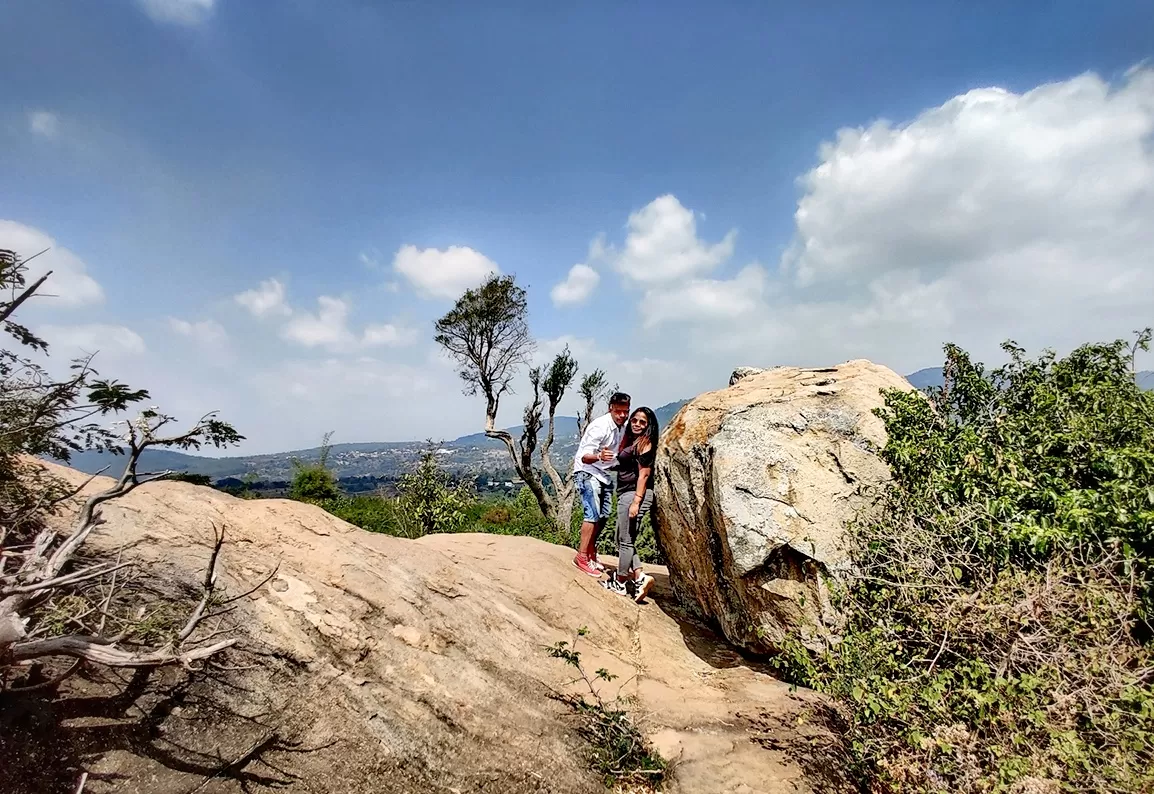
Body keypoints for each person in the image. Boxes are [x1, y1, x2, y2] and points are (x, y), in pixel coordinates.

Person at [602, 407, 658, 602]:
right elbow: (625, 465)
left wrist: (636, 501)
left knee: (625, 540)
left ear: (648, 425)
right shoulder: (633, 442)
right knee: (622, 538)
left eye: (642, 422)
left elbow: (644, 474)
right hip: (626, 493)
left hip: (634, 494)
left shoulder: (645, 443)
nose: (637, 424)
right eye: (634, 420)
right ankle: (640, 577)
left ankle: (620, 582)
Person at [572, 392, 631, 576]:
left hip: (603, 474)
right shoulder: (600, 426)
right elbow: (584, 456)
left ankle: (591, 551)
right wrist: (599, 456)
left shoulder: (623, 427)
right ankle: (581, 556)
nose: (622, 415)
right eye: (618, 411)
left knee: (604, 515)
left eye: (625, 411)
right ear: (611, 409)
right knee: (592, 513)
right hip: (587, 472)